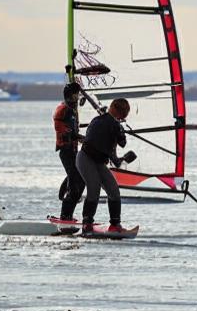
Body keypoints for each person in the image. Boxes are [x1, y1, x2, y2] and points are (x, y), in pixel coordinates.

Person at [77, 98, 136, 234]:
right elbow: (121, 143)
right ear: (116, 109)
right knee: (94, 189)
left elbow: (113, 150)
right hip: (86, 159)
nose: (125, 116)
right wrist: (119, 131)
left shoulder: (108, 123)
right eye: (124, 113)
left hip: (99, 161)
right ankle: (87, 224)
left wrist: (120, 159)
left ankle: (115, 224)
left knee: (114, 191)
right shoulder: (106, 123)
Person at [53, 83, 84, 222]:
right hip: (66, 151)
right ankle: (65, 216)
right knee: (75, 183)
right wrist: (80, 137)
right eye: (76, 94)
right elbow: (63, 131)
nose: (78, 96)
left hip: (73, 151)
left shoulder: (72, 108)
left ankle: (68, 215)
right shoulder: (63, 109)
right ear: (70, 95)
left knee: (81, 180)